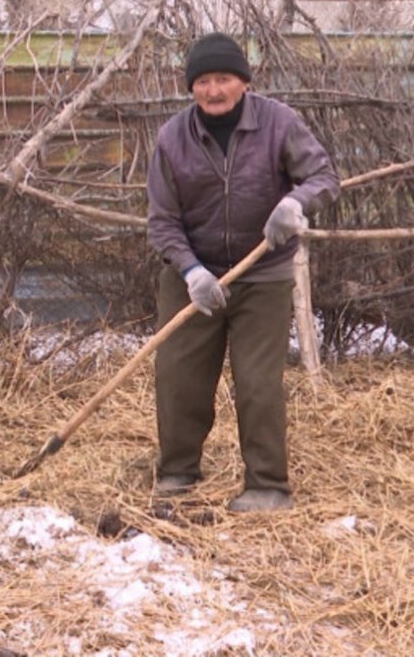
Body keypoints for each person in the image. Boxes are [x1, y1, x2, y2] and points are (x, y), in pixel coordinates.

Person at [145, 32, 340, 512]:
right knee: (179, 376)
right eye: (204, 81)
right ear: (192, 87)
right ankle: (177, 472)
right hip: (192, 275)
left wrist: (296, 202)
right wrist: (191, 272)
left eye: (225, 79)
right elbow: (162, 221)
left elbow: (324, 177)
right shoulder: (173, 137)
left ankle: (268, 485)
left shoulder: (279, 123)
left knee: (257, 381)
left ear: (245, 83)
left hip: (263, 275)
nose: (214, 90)